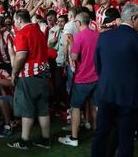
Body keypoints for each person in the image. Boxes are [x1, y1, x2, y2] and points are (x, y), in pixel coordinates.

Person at [91, 3, 138, 157]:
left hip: (106, 93)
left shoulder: (104, 36)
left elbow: (98, 66)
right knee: (125, 139)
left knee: (101, 135)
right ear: (134, 19)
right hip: (128, 98)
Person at [7, 9, 50, 150]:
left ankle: (24, 141)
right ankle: (45, 139)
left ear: (19, 19)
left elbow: (21, 56)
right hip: (43, 74)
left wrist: (13, 73)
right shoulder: (39, 31)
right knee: (43, 109)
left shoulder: (22, 33)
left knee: (27, 109)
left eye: (15, 20)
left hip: (29, 76)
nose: (15, 23)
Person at [58, 12, 99, 147]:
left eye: (75, 22)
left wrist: (71, 45)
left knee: (75, 107)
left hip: (82, 78)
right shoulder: (97, 34)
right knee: (95, 106)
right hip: (97, 77)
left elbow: (74, 57)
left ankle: (74, 138)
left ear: (79, 23)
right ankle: (98, 134)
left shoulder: (79, 36)